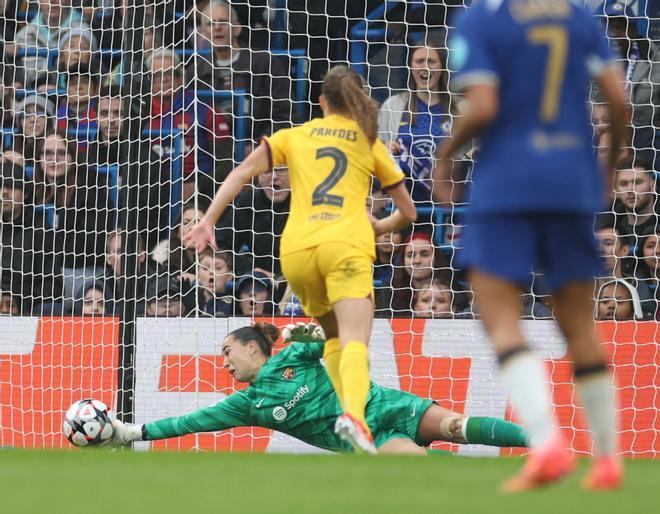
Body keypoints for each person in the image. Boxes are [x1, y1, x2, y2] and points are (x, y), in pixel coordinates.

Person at [433, 0, 627, 491]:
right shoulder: (579, 15)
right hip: (570, 179)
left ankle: (548, 447)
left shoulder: (481, 18)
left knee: (500, 318)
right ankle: (607, 460)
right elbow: (620, 102)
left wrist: (446, 156)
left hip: (507, 183)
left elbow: (483, 105)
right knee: (579, 324)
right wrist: (606, 167)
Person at [184, 65, 417, 453]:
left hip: (296, 254)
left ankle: (350, 417)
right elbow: (407, 213)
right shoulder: (368, 142)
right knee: (355, 339)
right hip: (345, 246)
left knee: (335, 338)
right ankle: (354, 417)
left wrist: (208, 220)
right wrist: (375, 228)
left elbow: (241, 172)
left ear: (322, 102)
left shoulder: (293, 136)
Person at [110, 322, 530, 454]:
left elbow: (337, 339)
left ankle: (545, 443)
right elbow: (190, 422)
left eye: (226, 351)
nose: (223, 363)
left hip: (382, 403)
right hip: (370, 438)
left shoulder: (292, 356)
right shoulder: (245, 404)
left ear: (252, 347)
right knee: (421, 470)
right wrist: (135, 432)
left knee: (456, 426)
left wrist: (310, 330)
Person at [378, 36, 452, 206]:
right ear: (411, 66)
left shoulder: (459, 110)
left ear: (442, 67)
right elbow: (376, 157)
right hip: (401, 208)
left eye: (431, 61)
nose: (425, 66)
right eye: (419, 61)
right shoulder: (393, 106)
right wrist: (386, 148)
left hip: (445, 209)